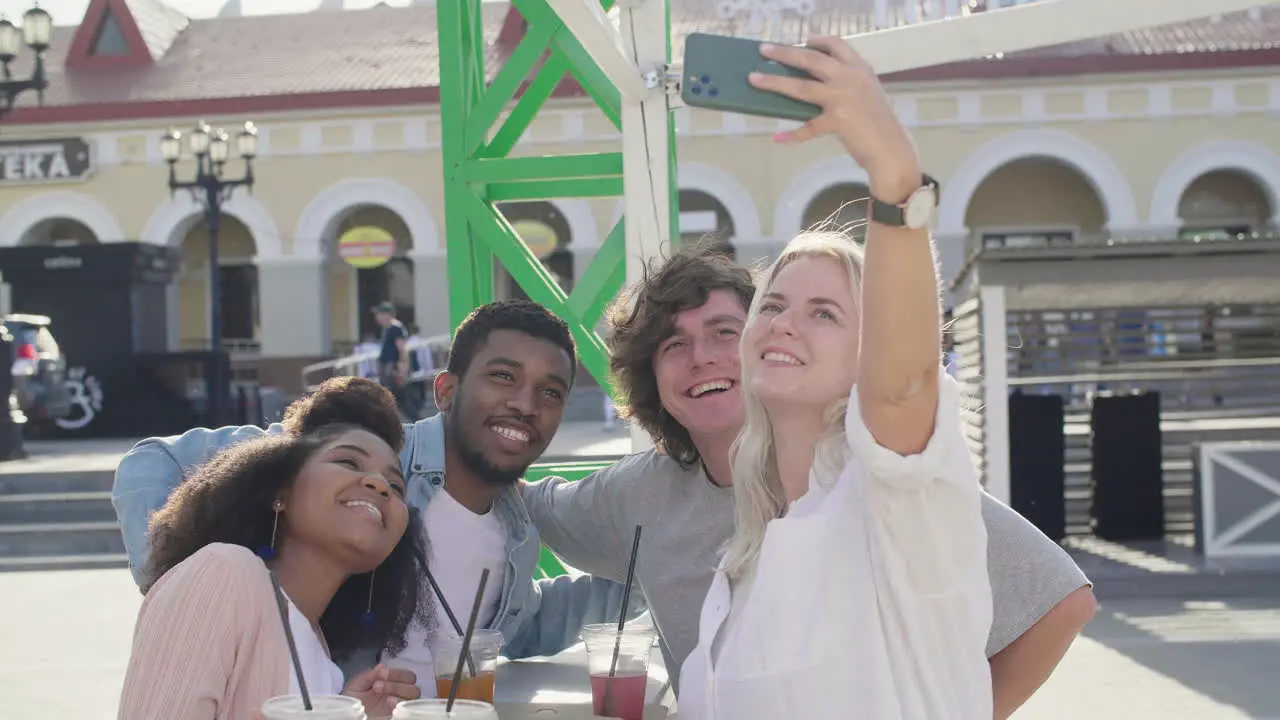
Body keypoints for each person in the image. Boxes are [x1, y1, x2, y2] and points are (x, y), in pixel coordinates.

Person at [522, 51, 1095, 718]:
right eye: (774, 305)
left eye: (824, 312)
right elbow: (535, 504)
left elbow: (905, 388)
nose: (785, 324)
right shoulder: (742, 550)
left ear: (867, 354)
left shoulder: (892, 494)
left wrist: (895, 180)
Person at [113, 302, 633, 691]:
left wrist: (656, 568)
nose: (525, 404)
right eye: (503, 377)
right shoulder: (362, 462)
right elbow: (152, 461)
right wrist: (175, 590)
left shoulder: (515, 532)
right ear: (447, 391)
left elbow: (527, 625)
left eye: (550, 392)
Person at [118, 422, 427, 719]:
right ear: (280, 493)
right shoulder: (224, 572)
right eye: (348, 461)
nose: (380, 484)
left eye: (397, 486)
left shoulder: (321, 659)